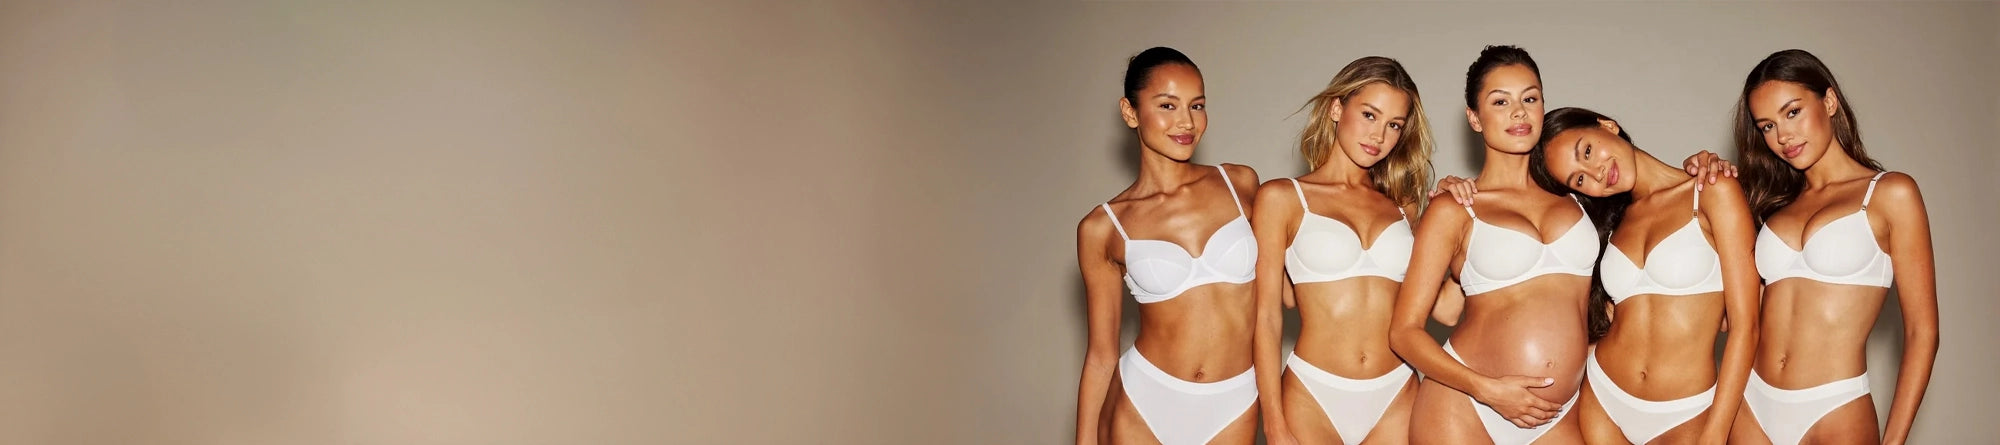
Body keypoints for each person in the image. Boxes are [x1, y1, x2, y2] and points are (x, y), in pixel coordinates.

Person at [1075, 46, 1262, 445]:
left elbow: (1291, 288)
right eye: (1167, 105)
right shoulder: (1103, 227)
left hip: (1234, 402)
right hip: (1144, 402)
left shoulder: (1240, 184)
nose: (1187, 122)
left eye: (1197, 106)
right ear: (1130, 112)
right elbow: (1101, 355)